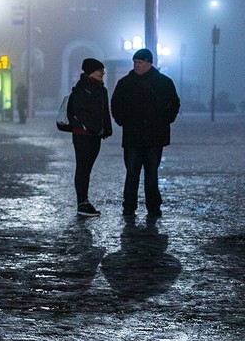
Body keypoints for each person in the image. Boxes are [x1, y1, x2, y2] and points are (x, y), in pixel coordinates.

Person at [110, 49, 181, 218]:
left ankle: (149, 207)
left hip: (149, 136)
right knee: (134, 173)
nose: (137, 66)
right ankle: (132, 206)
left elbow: (174, 104)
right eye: (135, 63)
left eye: (140, 63)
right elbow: (116, 105)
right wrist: (123, 120)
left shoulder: (161, 83)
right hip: (139, 135)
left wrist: (164, 120)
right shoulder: (127, 83)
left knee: (149, 173)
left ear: (149, 63)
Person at [69, 58, 113, 217]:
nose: (102, 73)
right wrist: (96, 128)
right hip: (83, 135)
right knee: (83, 168)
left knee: (86, 169)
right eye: (99, 70)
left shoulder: (101, 89)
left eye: (102, 70)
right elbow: (80, 113)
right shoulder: (82, 88)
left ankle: (84, 201)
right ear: (90, 72)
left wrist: (107, 128)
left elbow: (104, 112)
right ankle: (82, 203)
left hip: (95, 135)